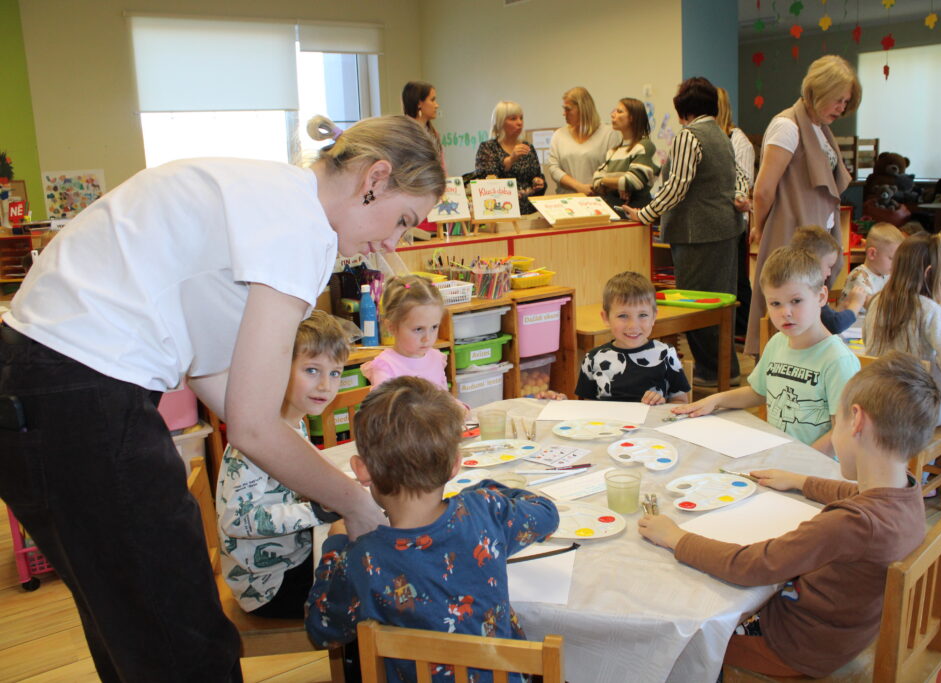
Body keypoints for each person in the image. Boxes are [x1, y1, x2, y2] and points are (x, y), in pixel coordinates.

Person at [0, 113, 443, 681]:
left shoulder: (266, 194)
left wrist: (329, 484)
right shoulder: (302, 225)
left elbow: (222, 385)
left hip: (37, 388)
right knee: (181, 639)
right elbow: (253, 425)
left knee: (133, 629)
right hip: (76, 394)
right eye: (403, 220)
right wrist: (356, 505)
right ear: (374, 178)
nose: (391, 244)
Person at [640, 351, 936, 678]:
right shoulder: (906, 491)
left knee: (680, 641)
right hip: (846, 632)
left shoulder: (851, 524)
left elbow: (752, 565)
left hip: (794, 646)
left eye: (836, 421)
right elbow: (854, 492)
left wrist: (675, 537)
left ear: (857, 421)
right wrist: (800, 481)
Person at [305, 376, 558, 682]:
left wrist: (335, 547)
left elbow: (322, 630)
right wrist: (485, 490)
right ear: (455, 465)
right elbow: (547, 514)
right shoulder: (485, 510)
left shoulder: (362, 559)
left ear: (362, 470)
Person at [217, 310, 350, 618]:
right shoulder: (256, 439)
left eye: (335, 373)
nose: (325, 386)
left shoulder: (293, 423)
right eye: (312, 370)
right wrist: (315, 512)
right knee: (365, 585)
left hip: (294, 555)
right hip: (267, 585)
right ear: (279, 369)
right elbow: (236, 519)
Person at [623, 77, 749, 387]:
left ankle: (711, 371)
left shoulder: (689, 136)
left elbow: (676, 188)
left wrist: (645, 213)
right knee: (721, 303)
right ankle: (726, 369)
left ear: (683, 110)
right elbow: (740, 178)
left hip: (697, 234)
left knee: (695, 303)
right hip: (725, 229)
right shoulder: (722, 135)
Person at [674, 247, 860, 455]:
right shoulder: (777, 343)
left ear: (821, 297)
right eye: (775, 303)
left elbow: (842, 431)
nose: (785, 312)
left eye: (796, 301)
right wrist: (716, 400)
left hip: (815, 468)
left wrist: (799, 463)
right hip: (778, 458)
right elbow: (758, 392)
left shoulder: (838, 360)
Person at [745, 55, 862, 355]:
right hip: (788, 233)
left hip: (813, 236)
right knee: (787, 310)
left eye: (846, 102)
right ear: (818, 91)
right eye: (838, 100)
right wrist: (761, 227)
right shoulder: (787, 126)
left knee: (807, 314)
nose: (842, 108)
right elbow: (763, 190)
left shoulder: (819, 128)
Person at [864, 233, 941, 426]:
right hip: (910, 407)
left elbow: (867, 342)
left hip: (875, 398)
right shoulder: (928, 309)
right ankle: (925, 448)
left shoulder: (876, 302)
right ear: (929, 272)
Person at [576, 271, 691, 405]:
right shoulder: (593, 358)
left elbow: (681, 402)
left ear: (654, 317)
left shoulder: (666, 354)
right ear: (606, 318)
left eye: (643, 315)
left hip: (652, 419)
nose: (633, 325)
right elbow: (586, 407)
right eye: (623, 316)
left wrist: (662, 405)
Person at [715, 86, 755, 341]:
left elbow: (744, 182)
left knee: (736, 278)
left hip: (733, 221)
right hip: (713, 222)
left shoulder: (738, 141)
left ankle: (743, 329)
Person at [361, 274, 448, 390]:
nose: (427, 338)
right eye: (418, 329)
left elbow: (444, 396)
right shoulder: (386, 366)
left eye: (434, 327)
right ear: (391, 327)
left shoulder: (436, 358)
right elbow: (385, 402)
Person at [790, 225, 866, 334]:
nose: (829, 273)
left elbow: (826, 320)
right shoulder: (808, 290)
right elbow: (834, 325)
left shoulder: (792, 283)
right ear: (813, 263)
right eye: (829, 266)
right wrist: (855, 305)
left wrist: (843, 307)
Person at [545, 86, 620, 196]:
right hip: (567, 200)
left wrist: (596, 186)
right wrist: (578, 186)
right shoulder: (559, 135)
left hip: (598, 200)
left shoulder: (609, 134)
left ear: (582, 109)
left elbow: (614, 169)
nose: (564, 113)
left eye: (568, 109)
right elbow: (553, 169)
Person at [474, 100, 546, 215]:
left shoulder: (528, 147)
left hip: (529, 212)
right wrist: (511, 160)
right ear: (500, 122)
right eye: (513, 119)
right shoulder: (488, 148)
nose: (519, 122)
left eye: (521, 118)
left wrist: (539, 182)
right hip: (500, 213)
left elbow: (537, 176)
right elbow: (486, 180)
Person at [591, 97, 659, 210]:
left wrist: (605, 181)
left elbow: (633, 181)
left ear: (632, 118)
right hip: (613, 210)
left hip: (636, 212)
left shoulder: (645, 146)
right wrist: (619, 185)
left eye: (619, 111)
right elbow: (596, 179)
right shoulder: (613, 152)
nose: (613, 115)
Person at [839, 222, 905, 313]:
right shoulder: (859, 276)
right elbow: (872, 306)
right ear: (872, 254)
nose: (896, 264)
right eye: (891, 258)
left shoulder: (886, 274)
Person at [402, 80, 445, 169]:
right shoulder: (403, 134)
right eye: (432, 100)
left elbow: (441, 168)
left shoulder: (434, 134)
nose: (436, 105)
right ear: (419, 103)